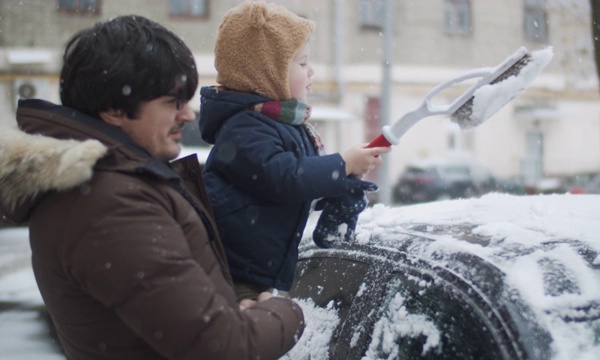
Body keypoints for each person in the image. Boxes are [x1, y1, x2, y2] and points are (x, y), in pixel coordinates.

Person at [0, 15, 304, 360]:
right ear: (114, 109)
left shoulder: (109, 188)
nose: (188, 115)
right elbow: (222, 347)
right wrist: (284, 312)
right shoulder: (110, 204)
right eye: (172, 102)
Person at [199, 1, 391, 301]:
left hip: (254, 269)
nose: (312, 71)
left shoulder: (283, 124)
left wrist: (344, 182)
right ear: (267, 74)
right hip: (232, 274)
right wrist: (341, 164)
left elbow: (299, 182)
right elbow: (285, 178)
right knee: (244, 342)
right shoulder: (243, 128)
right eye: (302, 63)